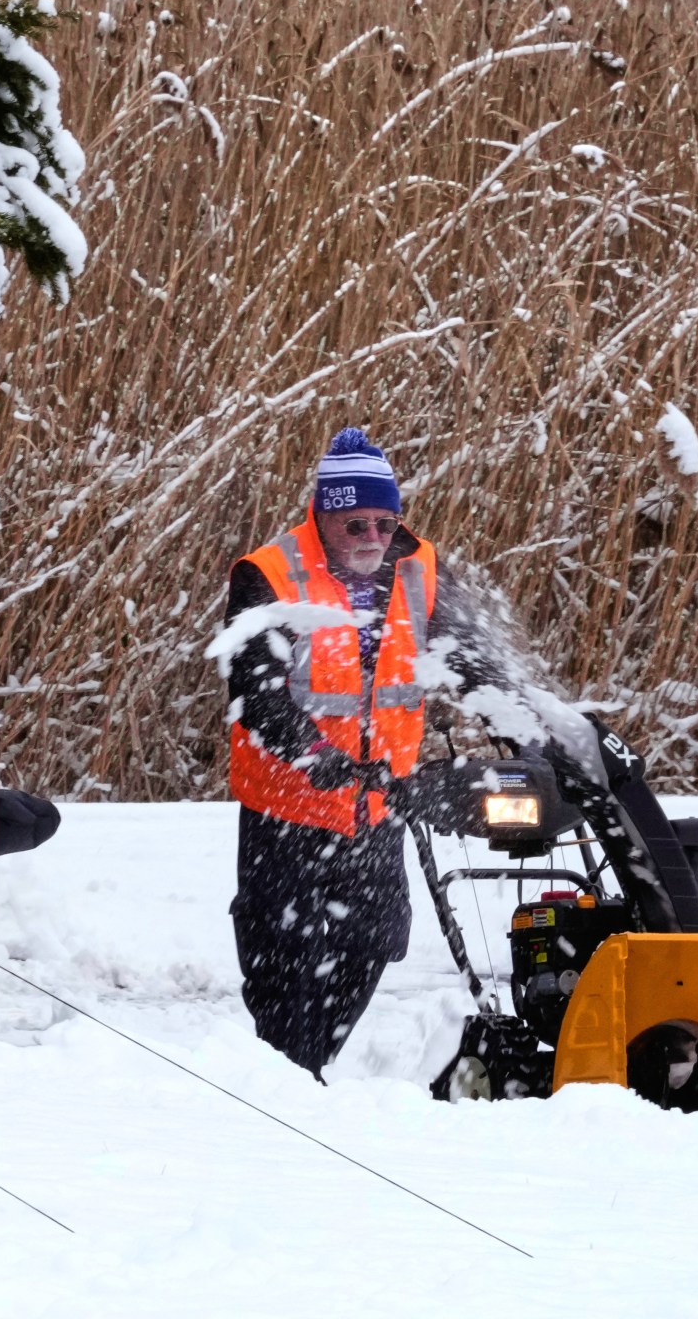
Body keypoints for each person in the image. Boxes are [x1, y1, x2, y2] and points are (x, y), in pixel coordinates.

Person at [221, 427, 436, 1077]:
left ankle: (310, 1069)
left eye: (384, 521)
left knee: (372, 944)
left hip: (377, 811)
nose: (372, 536)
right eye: (355, 524)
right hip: (289, 812)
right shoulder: (270, 576)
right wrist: (319, 758)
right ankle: (291, 1083)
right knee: (283, 962)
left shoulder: (421, 571)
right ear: (324, 516)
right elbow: (257, 695)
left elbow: (462, 660)